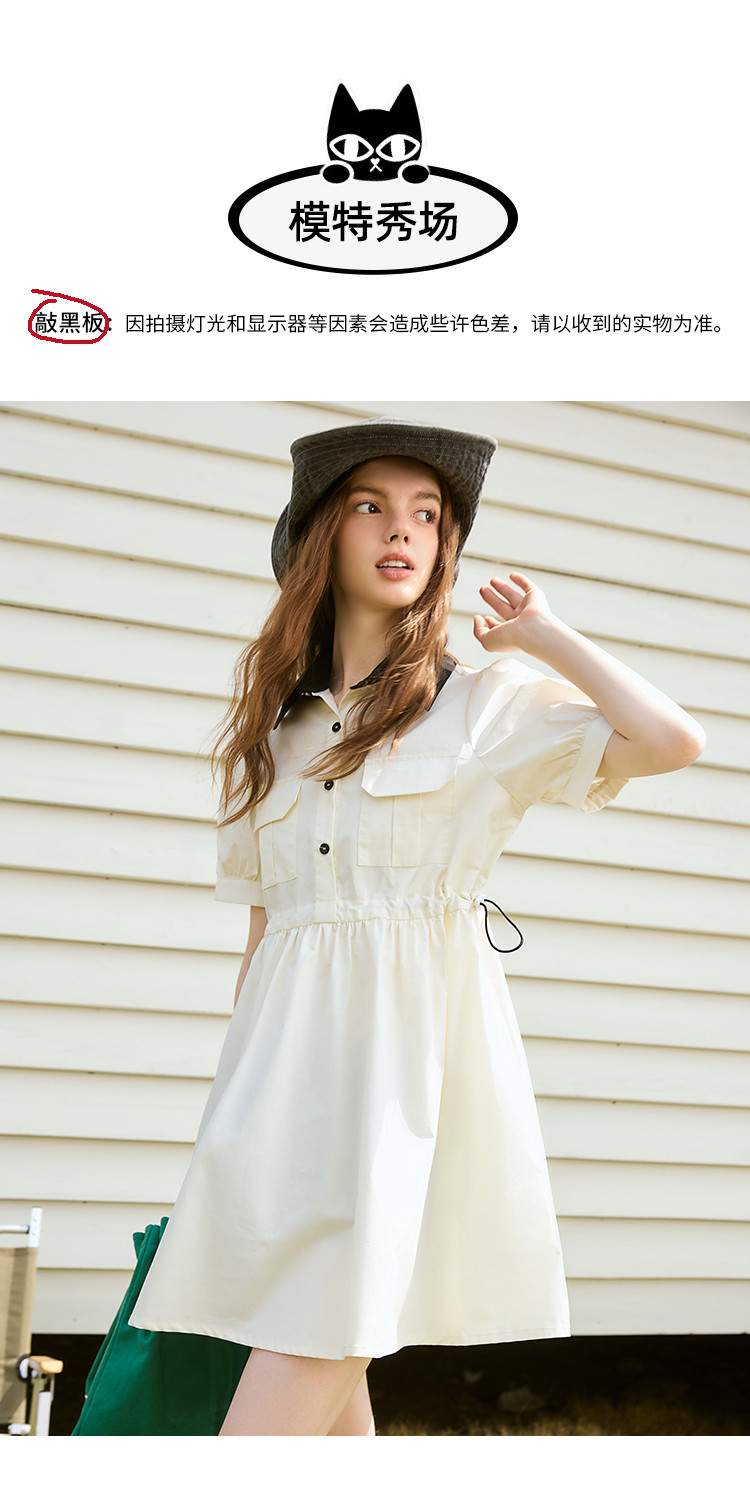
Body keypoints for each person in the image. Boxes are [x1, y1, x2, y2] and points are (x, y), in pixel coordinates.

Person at [127, 416, 706, 1435]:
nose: (404, 530)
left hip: (410, 1072)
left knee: (318, 1324)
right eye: (372, 506)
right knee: (316, 1343)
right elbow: (265, 938)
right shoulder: (271, 735)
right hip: (282, 1078)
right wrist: (234, 1115)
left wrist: (547, 637)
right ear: (321, 535)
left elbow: (669, 740)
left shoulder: (483, 707)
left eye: (429, 515)